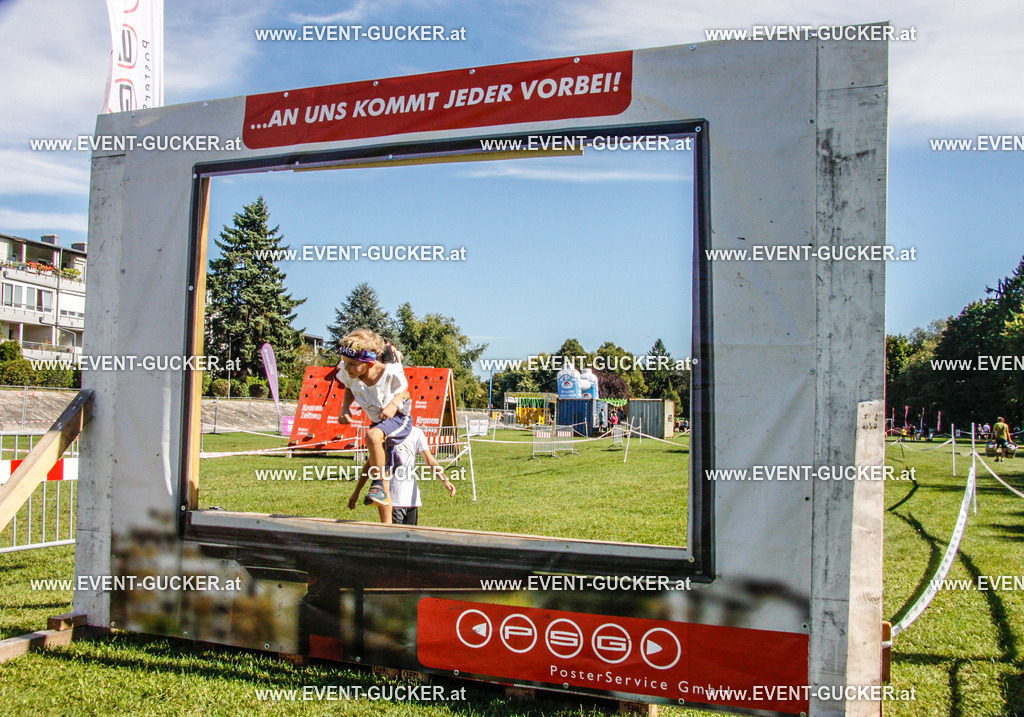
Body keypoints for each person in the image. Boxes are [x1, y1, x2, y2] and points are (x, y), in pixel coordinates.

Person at [336, 329, 411, 513]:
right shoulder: (349, 373)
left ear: (370, 363)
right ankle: (387, 528)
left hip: (399, 417)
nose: (346, 368)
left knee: (372, 436)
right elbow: (348, 386)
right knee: (377, 467)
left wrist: (393, 404)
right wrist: (345, 408)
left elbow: (404, 387)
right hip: (379, 422)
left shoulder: (389, 371)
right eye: (345, 362)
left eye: (352, 364)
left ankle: (377, 482)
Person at [349, 425, 458, 525]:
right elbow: (370, 465)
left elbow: (430, 461)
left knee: (410, 539)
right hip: (393, 500)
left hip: (412, 500)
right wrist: (357, 491)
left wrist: (445, 480)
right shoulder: (384, 434)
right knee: (394, 540)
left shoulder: (416, 433)